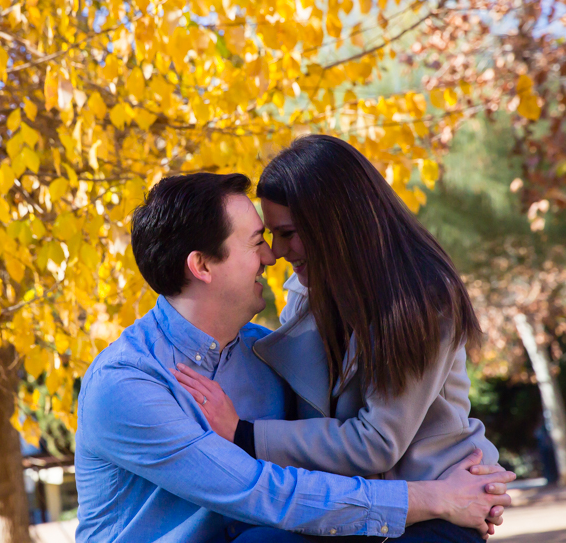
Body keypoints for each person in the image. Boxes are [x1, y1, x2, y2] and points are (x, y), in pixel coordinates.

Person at [74, 171, 514, 543]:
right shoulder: (128, 383)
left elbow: (339, 444)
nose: (272, 256)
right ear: (203, 266)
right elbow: (261, 492)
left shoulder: (263, 354)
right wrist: (435, 498)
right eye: (256, 243)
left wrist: (468, 477)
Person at [174, 135, 500, 543]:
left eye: (289, 233)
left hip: (435, 504)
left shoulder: (424, 299)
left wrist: (243, 433)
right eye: (271, 235)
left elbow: (377, 442)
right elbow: (315, 423)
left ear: (336, 224)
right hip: (356, 508)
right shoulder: (306, 297)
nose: (277, 252)